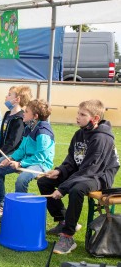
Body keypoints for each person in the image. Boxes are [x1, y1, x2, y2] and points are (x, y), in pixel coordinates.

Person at [37, 100, 119, 255]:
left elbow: (90, 169)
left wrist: (63, 188)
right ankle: (63, 220)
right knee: (44, 181)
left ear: (95, 118)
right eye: (78, 113)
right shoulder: (79, 133)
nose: (77, 117)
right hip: (83, 172)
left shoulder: (102, 138)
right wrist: (60, 171)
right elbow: (72, 160)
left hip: (100, 176)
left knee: (77, 189)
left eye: (82, 115)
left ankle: (68, 236)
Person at [0, 99, 55, 214]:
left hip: (40, 164)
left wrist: (20, 164)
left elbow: (41, 156)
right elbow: (21, 149)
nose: (23, 113)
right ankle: (0, 204)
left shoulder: (43, 132)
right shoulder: (28, 127)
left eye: (26, 111)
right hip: (26, 159)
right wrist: (11, 158)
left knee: (21, 180)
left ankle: (21, 210)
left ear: (35, 116)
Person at [0, 86, 30, 168]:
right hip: (2, 150)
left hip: (12, 153)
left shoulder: (19, 119)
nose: (6, 96)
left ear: (17, 99)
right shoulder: (7, 114)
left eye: (9, 95)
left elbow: (12, 143)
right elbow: (1, 136)